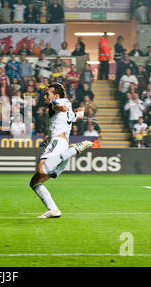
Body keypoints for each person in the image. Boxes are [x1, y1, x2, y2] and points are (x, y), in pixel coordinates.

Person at [30, 83, 92, 219]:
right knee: (35, 182)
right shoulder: (68, 108)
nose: (45, 96)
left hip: (58, 144)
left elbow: (59, 106)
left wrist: (57, 105)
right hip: (62, 145)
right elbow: (78, 116)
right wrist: (81, 111)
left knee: (41, 169)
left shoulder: (57, 103)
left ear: (56, 95)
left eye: (47, 94)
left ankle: (75, 150)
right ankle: (53, 209)